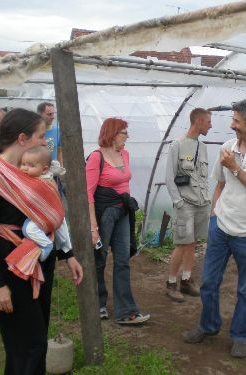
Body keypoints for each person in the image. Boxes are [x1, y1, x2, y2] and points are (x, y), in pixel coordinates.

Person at [0, 108, 83, 374]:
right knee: (29, 347)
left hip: (40, 267)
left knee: (30, 346)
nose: (45, 142)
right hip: (9, 272)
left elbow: (50, 220)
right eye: (41, 136)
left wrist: (69, 255)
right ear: (22, 138)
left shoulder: (35, 176)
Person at [182, 99, 246, 359]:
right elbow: (220, 183)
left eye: (236, 121)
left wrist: (236, 168)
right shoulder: (228, 147)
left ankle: (239, 336)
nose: (231, 125)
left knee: (245, 289)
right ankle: (208, 325)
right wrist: (214, 215)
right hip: (222, 228)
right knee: (208, 283)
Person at [86, 117, 149, 324]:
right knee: (100, 259)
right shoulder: (96, 157)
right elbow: (89, 194)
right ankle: (97, 303)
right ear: (112, 134)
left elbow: (125, 186)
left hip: (122, 212)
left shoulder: (125, 154)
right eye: (124, 133)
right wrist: (93, 227)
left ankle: (125, 311)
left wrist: (128, 207)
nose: (127, 137)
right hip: (105, 213)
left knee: (122, 260)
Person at [164, 108, 212, 302]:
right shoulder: (177, 145)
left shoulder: (204, 147)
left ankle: (186, 280)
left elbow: (204, 177)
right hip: (186, 203)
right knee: (182, 243)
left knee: (193, 242)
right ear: (198, 121)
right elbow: (169, 177)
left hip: (201, 202)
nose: (211, 125)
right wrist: (179, 202)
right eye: (208, 122)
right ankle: (171, 283)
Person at [19, 145, 71, 261]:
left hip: (45, 215)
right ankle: (63, 247)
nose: (25, 168)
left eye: (31, 165)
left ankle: (47, 245)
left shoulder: (42, 181)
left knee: (28, 229)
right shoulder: (47, 177)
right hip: (53, 215)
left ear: (43, 169)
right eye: (23, 164)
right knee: (61, 227)